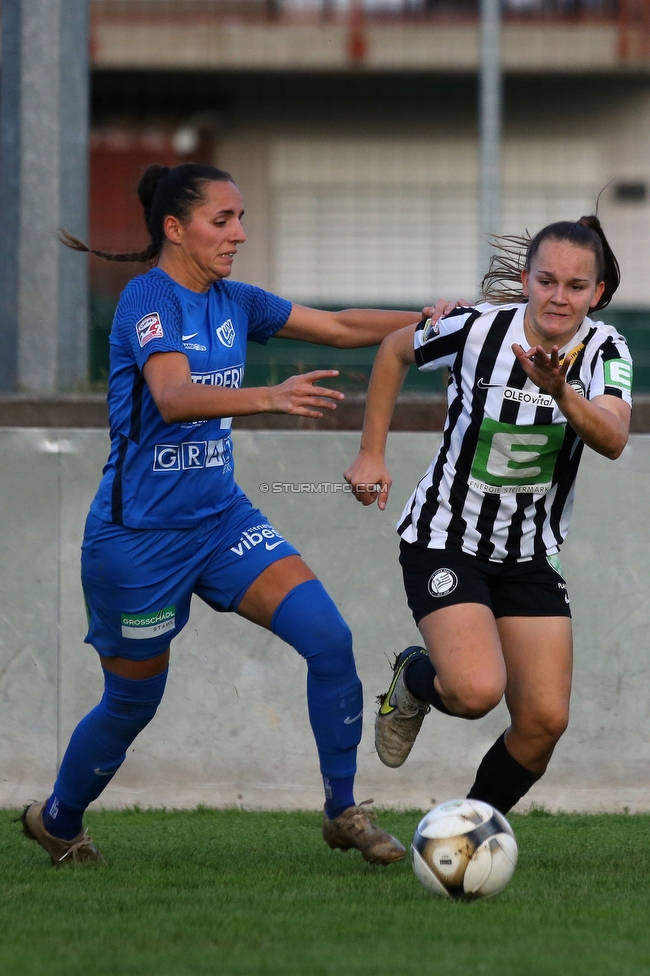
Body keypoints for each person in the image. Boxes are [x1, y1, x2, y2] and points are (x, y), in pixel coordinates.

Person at [21, 162, 454, 867]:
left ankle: (343, 809)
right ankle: (58, 818)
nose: (240, 234)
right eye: (223, 221)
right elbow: (172, 395)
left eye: (241, 219)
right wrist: (269, 397)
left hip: (221, 521)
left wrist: (438, 325)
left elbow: (343, 326)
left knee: (328, 639)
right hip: (138, 544)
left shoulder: (235, 301)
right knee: (132, 704)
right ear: (175, 228)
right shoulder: (145, 301)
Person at [344, 216, 632, 815]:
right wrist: (372, 451)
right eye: (547, 281)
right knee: (476, 692)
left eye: (576, 286)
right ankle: (416, 678)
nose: (559, 296)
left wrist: (561, 393)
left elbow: (613, 438)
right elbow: (396, 348)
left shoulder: (607, 350)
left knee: (544, 722)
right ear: (525, 279)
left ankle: (471, 827)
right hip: (445, 536)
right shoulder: (475, 328)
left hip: (528, 552)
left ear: (597, 294)